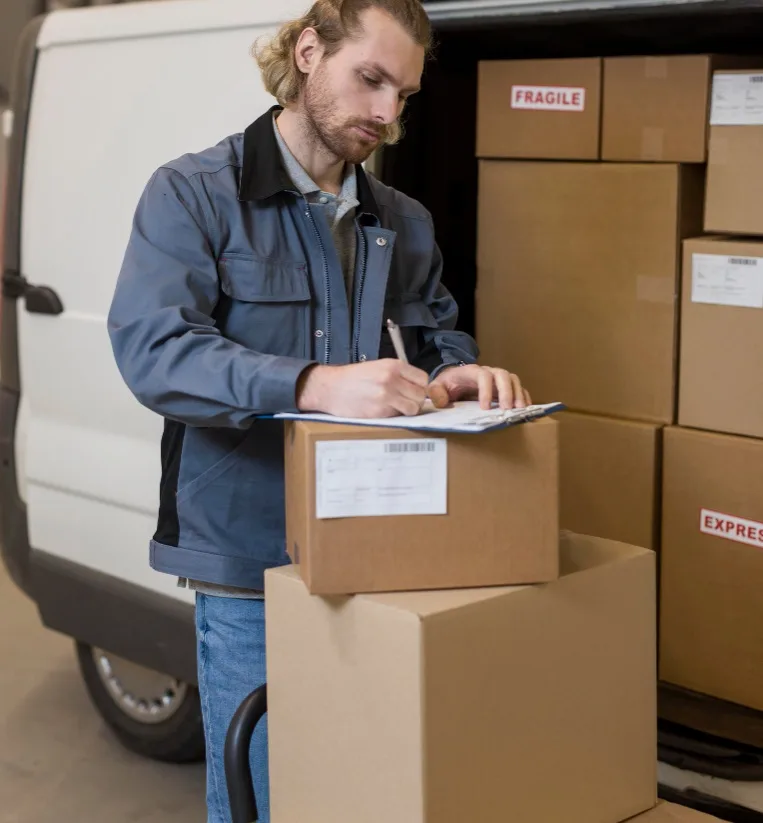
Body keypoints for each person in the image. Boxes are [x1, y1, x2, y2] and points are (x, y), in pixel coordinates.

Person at [107, 0, 531, 819]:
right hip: (250, 559)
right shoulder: (194, 193)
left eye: (402, 95)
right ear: (308, 52)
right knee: (261, 793)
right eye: (369, 79)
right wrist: (313, 384)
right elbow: (155, 353)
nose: (385, 113)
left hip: (381, 543)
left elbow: (432, 334)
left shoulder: (402, 221)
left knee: (360, 787)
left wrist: (463, 374)